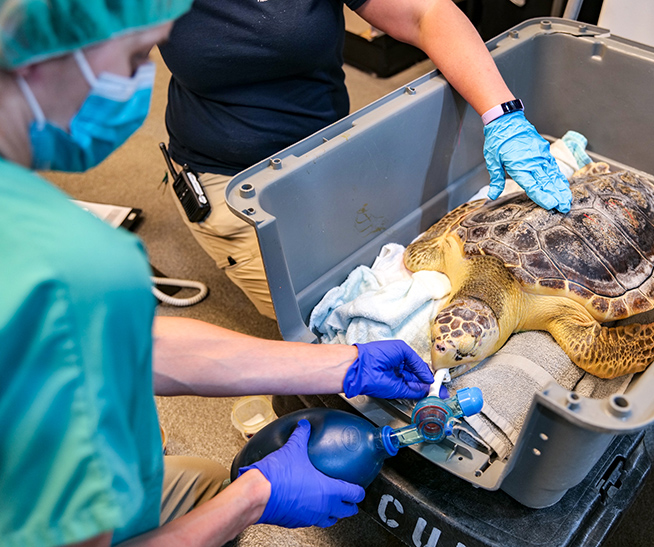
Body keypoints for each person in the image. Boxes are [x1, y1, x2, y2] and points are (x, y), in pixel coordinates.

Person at [0, 1, 441, 545]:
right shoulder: (71, 268)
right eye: (138, 54)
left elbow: (128, 344)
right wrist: (254, 498)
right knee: (222, 498)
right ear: (37, 53)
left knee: (208, 483)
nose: (143, 81)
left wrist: (341, 365)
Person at [159, 0, 573, 319]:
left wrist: (503, 115)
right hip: (230, 179)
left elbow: (423, 11)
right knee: (332, 310)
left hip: (329, 155)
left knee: (423, 266)